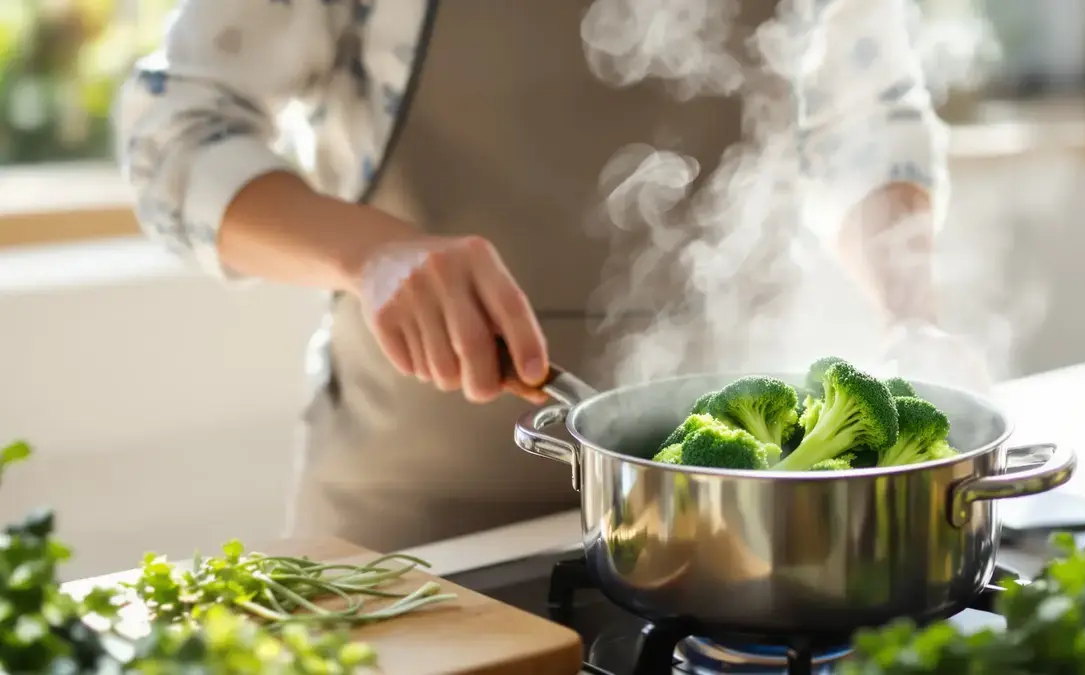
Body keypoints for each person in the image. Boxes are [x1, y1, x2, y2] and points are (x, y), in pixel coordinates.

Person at [114, 0, 955, 554]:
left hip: (735, 541)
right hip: (412, 538)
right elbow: (177, 128)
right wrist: (374, 252)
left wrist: (910, 314)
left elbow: (868, 121)